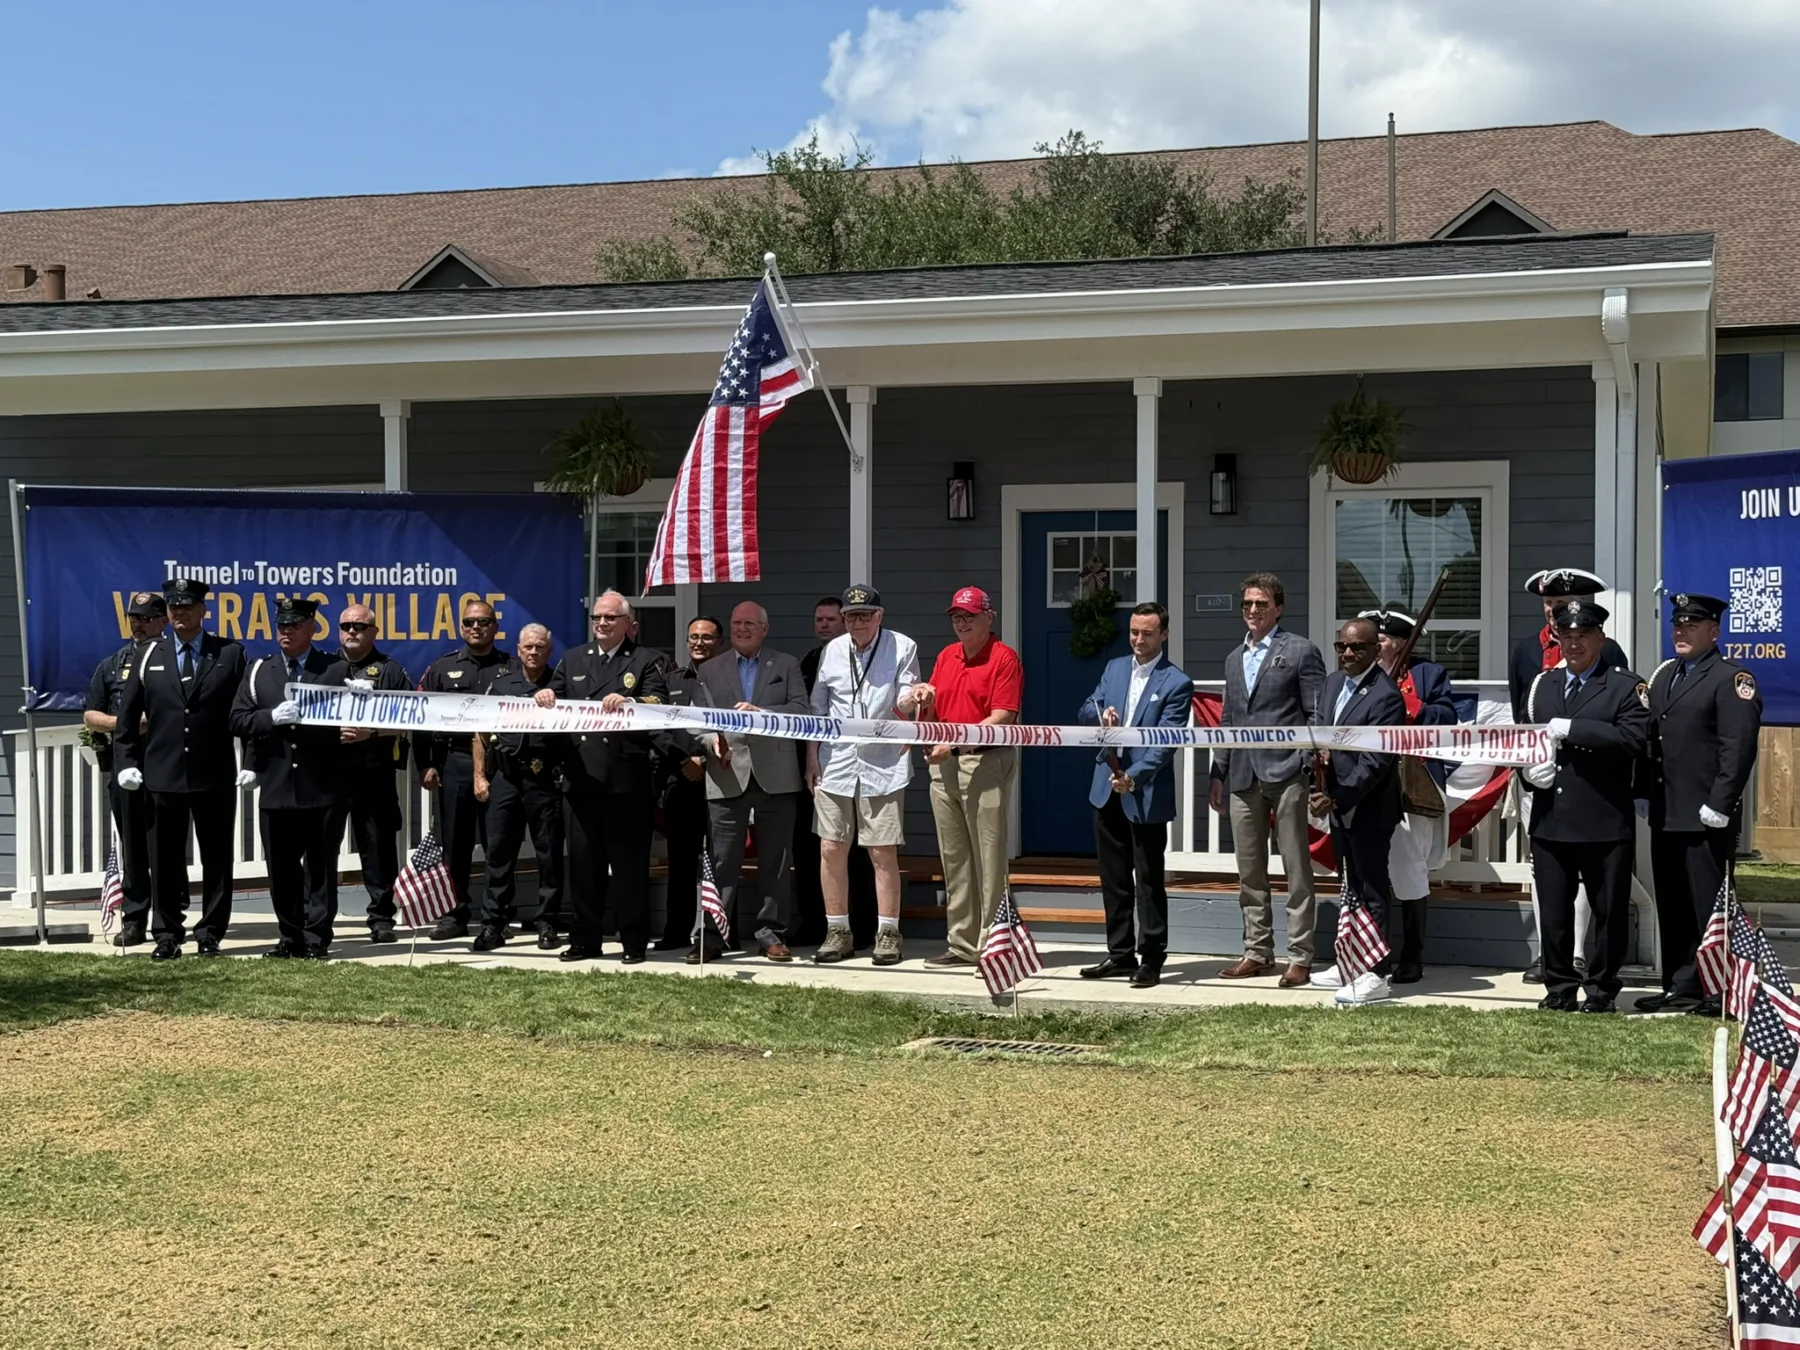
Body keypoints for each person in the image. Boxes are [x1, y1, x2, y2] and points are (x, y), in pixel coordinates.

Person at [1636, 593, 1763, 1015]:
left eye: (1691, 626)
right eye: (1677, 625)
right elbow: (1651, 740)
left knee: (1710, 906)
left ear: (1714, 631)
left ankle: (1718, 990)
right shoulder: (1666, 675)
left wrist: (1721, 801)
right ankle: (1681, 984)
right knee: (1673, 905)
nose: (1681, 632)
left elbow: (1738, 747)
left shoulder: (1730, 678)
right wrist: (1642, 791)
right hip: (1667, 811)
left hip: (1707, 815)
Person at [1521, 598, 1649, 1013]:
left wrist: (1574, 729)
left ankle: (1601, 989)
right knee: (1554, 911)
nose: (1573, 644)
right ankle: (1558, 988)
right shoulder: (1544, 685)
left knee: (1608, 910)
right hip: (1551, 818)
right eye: (1566, 636)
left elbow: (1631, 740)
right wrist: (1528, 772)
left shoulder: (1625, 686)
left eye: (1583, 636)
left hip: (1602, 818)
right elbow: (1528, 739)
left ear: (1600, 638)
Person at [113, 578, 248, 960]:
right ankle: (167, 933)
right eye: (173, 607)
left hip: (214, 773)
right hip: (162, 774)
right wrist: (126, 763)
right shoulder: (148, 654)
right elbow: (126, 722)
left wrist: (250, 763)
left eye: (187, 606)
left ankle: (210, 932)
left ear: (204, 610)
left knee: (217, 859)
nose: (179, 613)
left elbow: (245, 713)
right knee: (164, 858)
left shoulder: (230, 654)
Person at [1510, 567, 1630, 983]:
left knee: (1596, 887)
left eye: (1562, 606)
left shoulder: (1608, 654)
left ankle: (1580, 955)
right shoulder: (1527, 652)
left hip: (1593, 791)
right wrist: (1527, 769)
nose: (1553, 612)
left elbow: (1620, 714)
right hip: (1545, 783)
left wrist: (1571, 731)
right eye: (1550, 605)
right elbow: (1519, 720)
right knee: (1545, 876)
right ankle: (1551, 960)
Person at [1208, 572, 1327, 986]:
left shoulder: (1300, 650)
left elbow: (1317, 714)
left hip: (1287, 772)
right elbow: (1227, 719)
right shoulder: (1232, 658)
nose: (1253, 611)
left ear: (1278, 607)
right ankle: (1258, 951)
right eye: (1247, 604)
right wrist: (1218, 769)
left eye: (1261, 604)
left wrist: (1305, 762)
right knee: (1249, 871)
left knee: (1296, 867)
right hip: (1242, 774)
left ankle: (1300, 955)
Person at [543, 590, 670, 963]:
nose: (601, 623)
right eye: (597, 617)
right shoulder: (573, 658)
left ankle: (633, 940)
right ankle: (586, 938)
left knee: (629, 867)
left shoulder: (647, 660)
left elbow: (660, 703)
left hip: (626, 782)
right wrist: (547, 694)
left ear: (628, 624)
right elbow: (557, 694)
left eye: (610, 618)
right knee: (584, 866)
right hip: (581, 780)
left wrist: (632, 703)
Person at [1076, 601, 1194, 989]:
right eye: (1133, 632)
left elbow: (1166, 744)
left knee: (1148, 879)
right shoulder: (1114, 668)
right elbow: (1085, 709)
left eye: (1146, 633)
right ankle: (1120, 953)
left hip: (1144, 792)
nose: (1138, 640)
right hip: (1105, 787)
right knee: (1113, 879)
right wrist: (1100, 716)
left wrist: (1135, 777)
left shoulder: (1176, 682)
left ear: (1164, 634)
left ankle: (1153, 957)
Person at [807, 584, 921, 966]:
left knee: (881, 850)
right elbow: (818, 710)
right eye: (851, 616)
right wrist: (811, 757)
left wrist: (910, 700)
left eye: (865, 615)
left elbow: (906, 697)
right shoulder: (832, 651)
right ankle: (837, 931)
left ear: (879, 616)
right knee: (830, 847)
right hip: (835, 760)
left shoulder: (902, 646)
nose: (857, 622)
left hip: (884, 763)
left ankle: (888, 932)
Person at [230, 597, 348, 958]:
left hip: (322, 785)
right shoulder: (259, 671)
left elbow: (357, 717)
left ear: (312, 628)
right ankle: (290, 937)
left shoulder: (335, 670)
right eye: (281, 625)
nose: (286, 631)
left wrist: (362, 696)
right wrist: (270, 718)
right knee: (281, 868)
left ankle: (316, 939)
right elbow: (237, 719)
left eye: (294, 625)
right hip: (277, 785)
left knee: (320, 867)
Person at [913, 586, 1024, 969]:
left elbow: (1002, 718)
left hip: (984, 761)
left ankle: (995, 946)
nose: (962, 623)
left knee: (989, 858)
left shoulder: (1003, 658)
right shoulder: (947, 656)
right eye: (956, 617)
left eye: (969, 616)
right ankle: (962, 944)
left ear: (988, 617)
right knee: (955, 857)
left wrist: (955, 746)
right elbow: (935, 705)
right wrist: (924, 697)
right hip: (943, 764)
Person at [696, 602, 812, 961]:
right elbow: (697, 719)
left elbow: (803, 711)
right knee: (721, 859)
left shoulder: (786, 664)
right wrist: (710, 741)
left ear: (765, 628)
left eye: (749, 623)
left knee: (776, 862)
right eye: (736, 624)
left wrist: (764, 715)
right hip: (726, 771)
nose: (742, 629)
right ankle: (711, 936)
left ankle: (770, 933)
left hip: (776, 775)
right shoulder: (710, 668)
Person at [1306, 616, 1409, 1006]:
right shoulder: (1332, 684)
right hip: (1335, 803)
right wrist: (1314, 770)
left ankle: (1375, 972)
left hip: (1367, 807)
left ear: (1375, 649)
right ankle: (1350, 960)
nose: (1348, 654)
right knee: (1348, 885)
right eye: (1342, 647)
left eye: (1357, 648)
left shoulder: (1385, 696)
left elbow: (1375, 762)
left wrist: (1340, 797)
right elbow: (1317, 733)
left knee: (1371, 888)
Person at [1362, 608, 1457, 984]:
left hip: (1410, 783)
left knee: (1409, 867)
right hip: (1365, 782)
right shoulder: (1361, 676)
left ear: (1399, 642)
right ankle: (1370, 952)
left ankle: (1412, 955)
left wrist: (1411, 707)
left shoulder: (1428, 674)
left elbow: (1447, 718)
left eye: (1380, 640)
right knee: (1366, 870)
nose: (1373, 646)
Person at [415, 599, 515, 940]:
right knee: (454, 843)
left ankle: (496, 915)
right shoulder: (442, 669)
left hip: (500, 764)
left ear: (495, 627)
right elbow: (421, 718)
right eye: (470, 622)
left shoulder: (511, 668)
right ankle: (454, 913)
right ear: (461, 627)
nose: (477, 627)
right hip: (454, 761)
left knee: (497, 843)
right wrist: (426, 763)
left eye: (484, 621)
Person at [471, 623, 567, 953]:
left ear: (549, 651)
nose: (533, 652)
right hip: (506, 777)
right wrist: (479, 776)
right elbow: (481, 733)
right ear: (518, 649)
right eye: (528, 647)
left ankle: (547, 923)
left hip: (544, 780)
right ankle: (493, 924)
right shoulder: (501, 686)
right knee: (498, 854)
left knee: (549, 855)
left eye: (540, 647)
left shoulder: (561, 684)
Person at [83, 590, 167, 948]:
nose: (139, 624)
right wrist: (126, 723)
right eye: (134, 618)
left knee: (165, 847)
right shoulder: (113, 664)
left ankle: (168, 921)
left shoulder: (175, 660)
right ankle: (134, 920)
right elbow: (90, 715)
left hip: (167, 766)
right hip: (127, 767)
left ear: (162, 622)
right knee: (133, 848)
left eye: (146, 618)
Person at [324, 604, 412, 944]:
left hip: (373, 774)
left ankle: (381, 918)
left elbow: (408, 719)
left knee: (377, 848)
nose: (352, 632)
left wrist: (369, 732)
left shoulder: (389, 670)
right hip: (330, 774)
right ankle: (318, 916)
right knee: (322, 846)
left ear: (374, 632)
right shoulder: (325, 668)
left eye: (360, 626)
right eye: (346, 625)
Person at [794, 595, 876, 949]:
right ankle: (816, 924)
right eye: (819, 620)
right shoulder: (810, 661)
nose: (823, 625)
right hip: (819, 769)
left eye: (830, 619)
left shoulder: (860, 659)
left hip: (863, 768)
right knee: (815, 851)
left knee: (858, 852)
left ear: (845, 624)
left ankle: (864, 925)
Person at [654, 615, 723, 956]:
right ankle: (676, 931)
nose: (699, 643)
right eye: (693, 637)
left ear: (719, 642)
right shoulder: (671, 681)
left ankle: (718, 933)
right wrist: (686, 760)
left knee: (720, 863)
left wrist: (706, 762)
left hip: (723, 781)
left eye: (707, 637)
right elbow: (660, 726)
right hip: (680, 781)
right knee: (681, 863)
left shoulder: (728, 678)